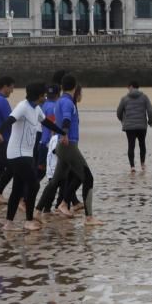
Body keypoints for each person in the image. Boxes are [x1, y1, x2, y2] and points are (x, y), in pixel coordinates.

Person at [36, 74, 102, 226]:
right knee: (88, 178)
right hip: (68, 145)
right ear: (75, 86)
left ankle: (39, 211)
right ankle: (89, 218)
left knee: (56, 181)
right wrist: (64, 133)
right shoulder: (68, 103)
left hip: (62, 145)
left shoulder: (60, 101)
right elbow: (66, 119)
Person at [0, 83, 65, 232]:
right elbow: (10, 119)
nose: (45, 97)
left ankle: (9, 224)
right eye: (43, 95)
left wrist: (62, 132)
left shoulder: (36, 108)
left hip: (26, 154)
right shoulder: (23, 106)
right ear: (39, 96)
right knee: (34, 184)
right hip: (17, 153)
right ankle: (28, 220)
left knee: (17, 188)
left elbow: (46, 122)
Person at [116, 81, 152, 172]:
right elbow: (150, 111)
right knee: (142, 144)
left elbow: (118, 112)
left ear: (131, 87)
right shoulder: (144, 97)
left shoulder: (124, 98)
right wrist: (150, 121)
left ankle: (132, 167)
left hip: (129, 127)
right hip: (142, 126)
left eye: (128, 87)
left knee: (131, 145)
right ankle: (142, 164)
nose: (128, 89)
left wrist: (123, 120)